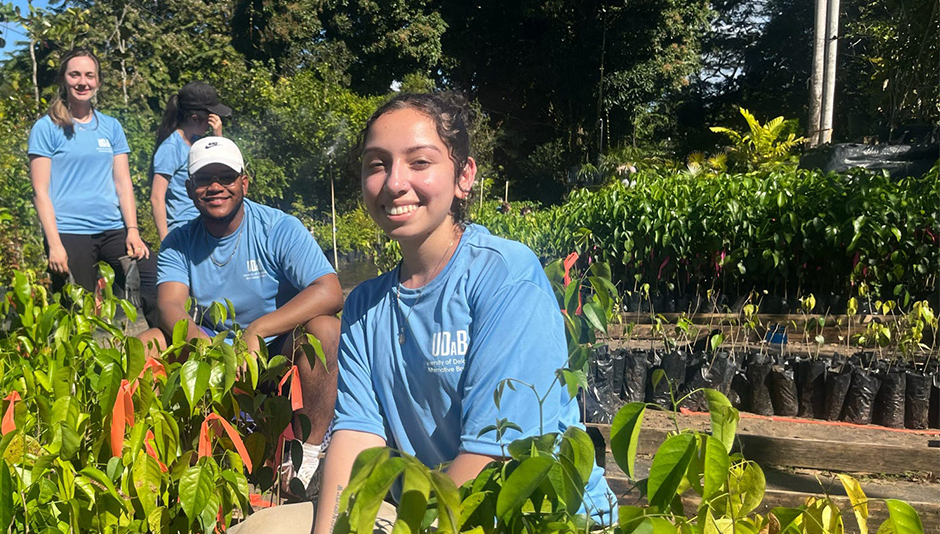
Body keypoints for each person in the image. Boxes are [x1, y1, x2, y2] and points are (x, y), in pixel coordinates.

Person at [230, 93, 616, 534]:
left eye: (419, 162)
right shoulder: (364, 306)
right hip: (424, 509)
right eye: (377, 164)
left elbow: (495, 459)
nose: (394, 182)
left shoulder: (504, 277)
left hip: (530, 514)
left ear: (463, 176)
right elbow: (357, 436)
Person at [138, 136, 343, 495]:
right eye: (204, 179)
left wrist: (257, 329)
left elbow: (330, 291)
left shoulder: (278, 228)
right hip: (212, 352)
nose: (215, 187)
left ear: (243, 183)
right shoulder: (177, 242)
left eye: (226, 177)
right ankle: (148, 459)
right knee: (148, 342)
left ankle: (305, 455)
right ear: (189, 189)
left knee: (326, 330)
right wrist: (203, 344)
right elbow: (169, 306)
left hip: (274, 350)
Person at [28, 48, 157, 321]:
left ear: (98, 81)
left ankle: (152, 346)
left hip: (112, 229)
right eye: (75, 74)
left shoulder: (110, 127)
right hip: (69, 232)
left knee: (153, 274)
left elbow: (123, 182)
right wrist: (54, 244)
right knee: (77, 310)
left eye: (89, 75)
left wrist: (132, 231)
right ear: (64, 79)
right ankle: (76, 362)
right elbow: (40, 192)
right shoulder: (47, 127)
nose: (82, 82)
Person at [150, 81, 231, 242]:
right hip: (184, 230)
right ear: (195, 118)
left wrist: (218, 137)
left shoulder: (197, 143)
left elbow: (221, 170)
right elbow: (156, 197)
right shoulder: (171, 148)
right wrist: (165, 240)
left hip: (205, 224)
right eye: (211, 117)